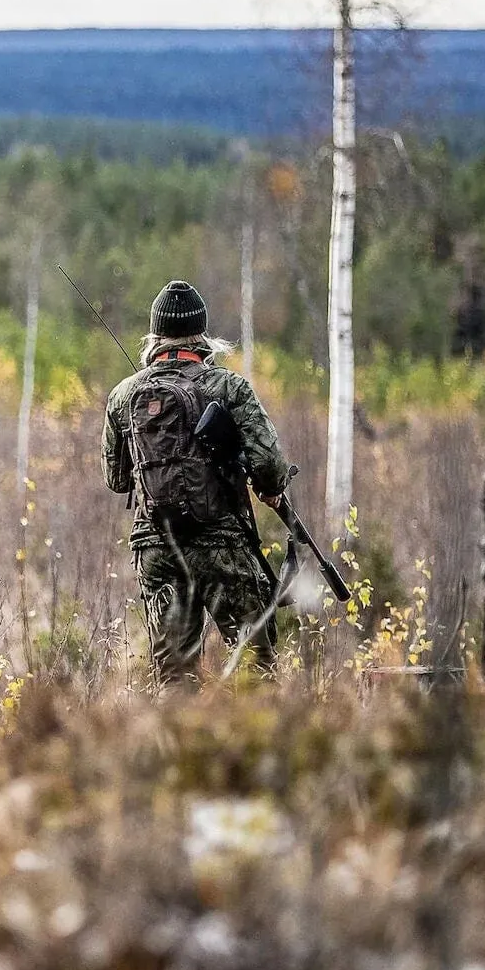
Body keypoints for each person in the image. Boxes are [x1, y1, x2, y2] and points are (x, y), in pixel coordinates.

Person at [101, 280, 291, 685]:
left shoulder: (123, 395)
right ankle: (259, 746)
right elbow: (271, 464)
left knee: (173, 676)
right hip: (221, 546)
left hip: (156, 548)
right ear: (202, 336)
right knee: (256, 666)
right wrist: (268, 486)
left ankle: (179, 747)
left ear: (154, 336)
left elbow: (116, 480)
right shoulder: (228, 387)